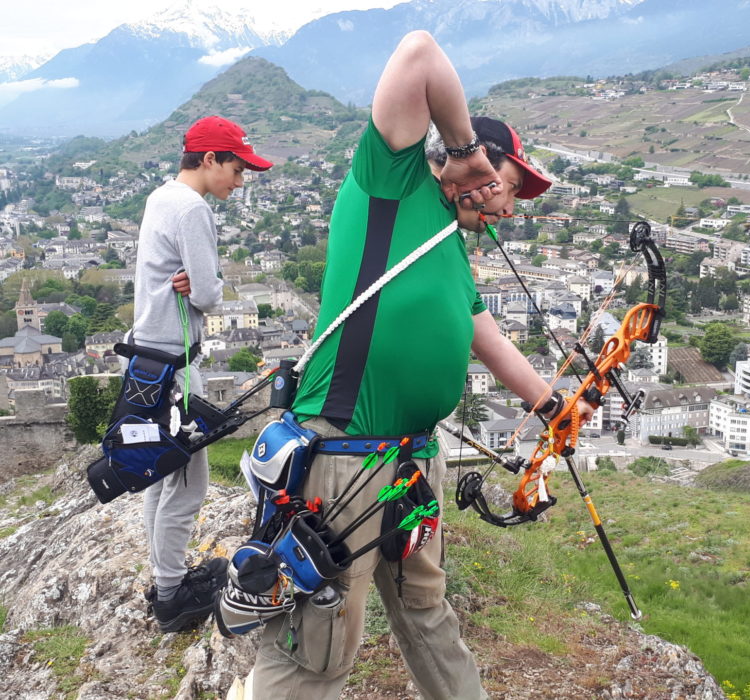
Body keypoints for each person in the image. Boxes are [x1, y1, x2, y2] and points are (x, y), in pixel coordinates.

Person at [250, 30, 593, 699]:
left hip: (411, 465)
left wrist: (553, 407)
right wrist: (465, 151)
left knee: (428, 613)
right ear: (480, 170)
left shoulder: (452, 252)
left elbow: (484, 338)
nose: (506, 207)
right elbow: (417, 53)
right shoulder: (390, 184)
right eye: (508, 187)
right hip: (341, 457)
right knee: (317, 647)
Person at [135, 115, 273, 632]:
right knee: (187, 485)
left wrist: (193, 282)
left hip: (148, 355)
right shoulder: (193, 209)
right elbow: (212, 295)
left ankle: (163, 578)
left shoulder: (160, 197)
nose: (240, 182)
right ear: (210, 158)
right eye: (237, 169)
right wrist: (201, 285)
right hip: (177, 362)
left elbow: (195, 283)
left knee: (158, 473)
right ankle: (172, 597)